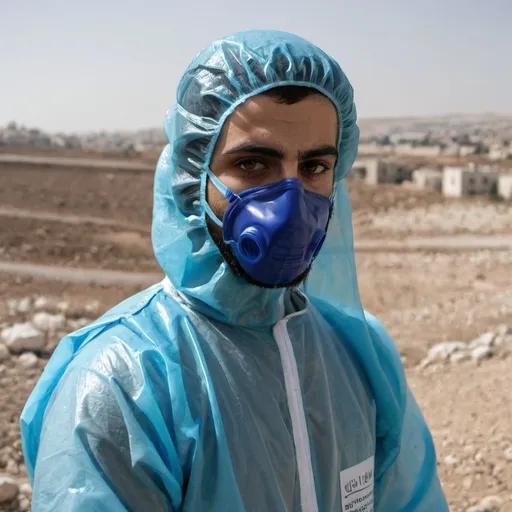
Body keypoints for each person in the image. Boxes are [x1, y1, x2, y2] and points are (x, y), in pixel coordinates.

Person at [21, 30, 448, 511]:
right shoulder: (124, 384)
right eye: (252, 163)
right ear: (190, 177)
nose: (290, 202)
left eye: (313, 168)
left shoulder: (360, 354)